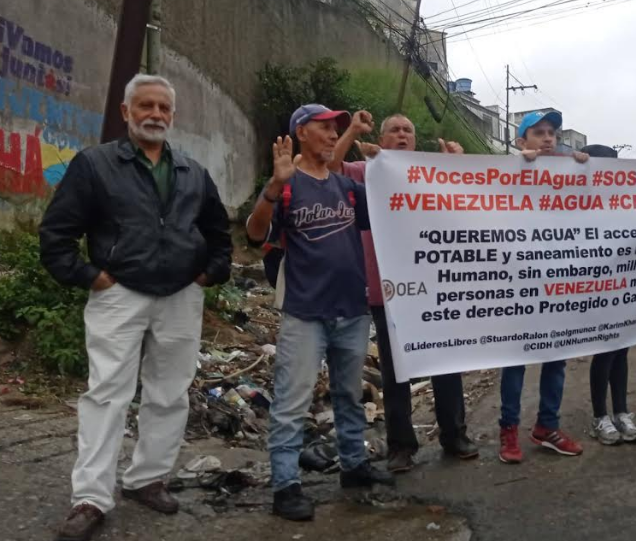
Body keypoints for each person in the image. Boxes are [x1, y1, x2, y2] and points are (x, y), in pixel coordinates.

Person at [39, 74, 233, 541]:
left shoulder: (191, 170)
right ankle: (90, 498)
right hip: (119, 294)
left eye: (163, 108)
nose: (155, 115)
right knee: (106, 395)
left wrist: (211, 271)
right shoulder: (95, 165)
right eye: (145, 106)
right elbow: (56, 234)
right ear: (126, 112)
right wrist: (91, 276)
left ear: (173, 116)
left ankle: (148, 478)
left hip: (181, 295)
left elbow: (218, 231)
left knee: (170, 393)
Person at [246, 104, 393, 523]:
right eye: (324, 129)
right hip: (305, 314)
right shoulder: (287, 186)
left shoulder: (346, 188)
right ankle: (286, 486)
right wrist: (273, 189)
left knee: (348, 396)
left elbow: (390, 210)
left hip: (352, 310)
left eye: (335, 130)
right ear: (301, 133)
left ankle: (353, 466)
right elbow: (255, 235)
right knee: (292, 403)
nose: (333, 135)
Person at [333, 113, 478, 473]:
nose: (401, 135)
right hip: (389, 291)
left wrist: (455, 166)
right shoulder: (366, 171)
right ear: (381, 138)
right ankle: (401, 446)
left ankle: (454, 434)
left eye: (407, 131)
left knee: (446, 362)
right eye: (394, 130)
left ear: (416, 140)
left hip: (436, 289)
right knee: (397, 371)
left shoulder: (433, 172)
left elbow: (472, 199)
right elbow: (329, 168)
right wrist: (352, 132)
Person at [499, 111, 588, 464]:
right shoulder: (508, 170)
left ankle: (546, 426)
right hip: (520, 286)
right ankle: (508, 430)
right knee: (515, 361)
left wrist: (585, 166)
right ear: (522, 142)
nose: (548, 138)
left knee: (556, 359)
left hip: (558, 285)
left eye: (552, 133)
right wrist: (519, 165)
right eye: (539, 133)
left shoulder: (568, 172)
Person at [579, 144, 636, 445]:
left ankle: (621, 411)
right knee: (605, 350)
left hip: (623, 284)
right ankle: (599, 416)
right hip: (595, 287)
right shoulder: (578, 198)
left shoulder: (622, 201)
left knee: (622, 347)